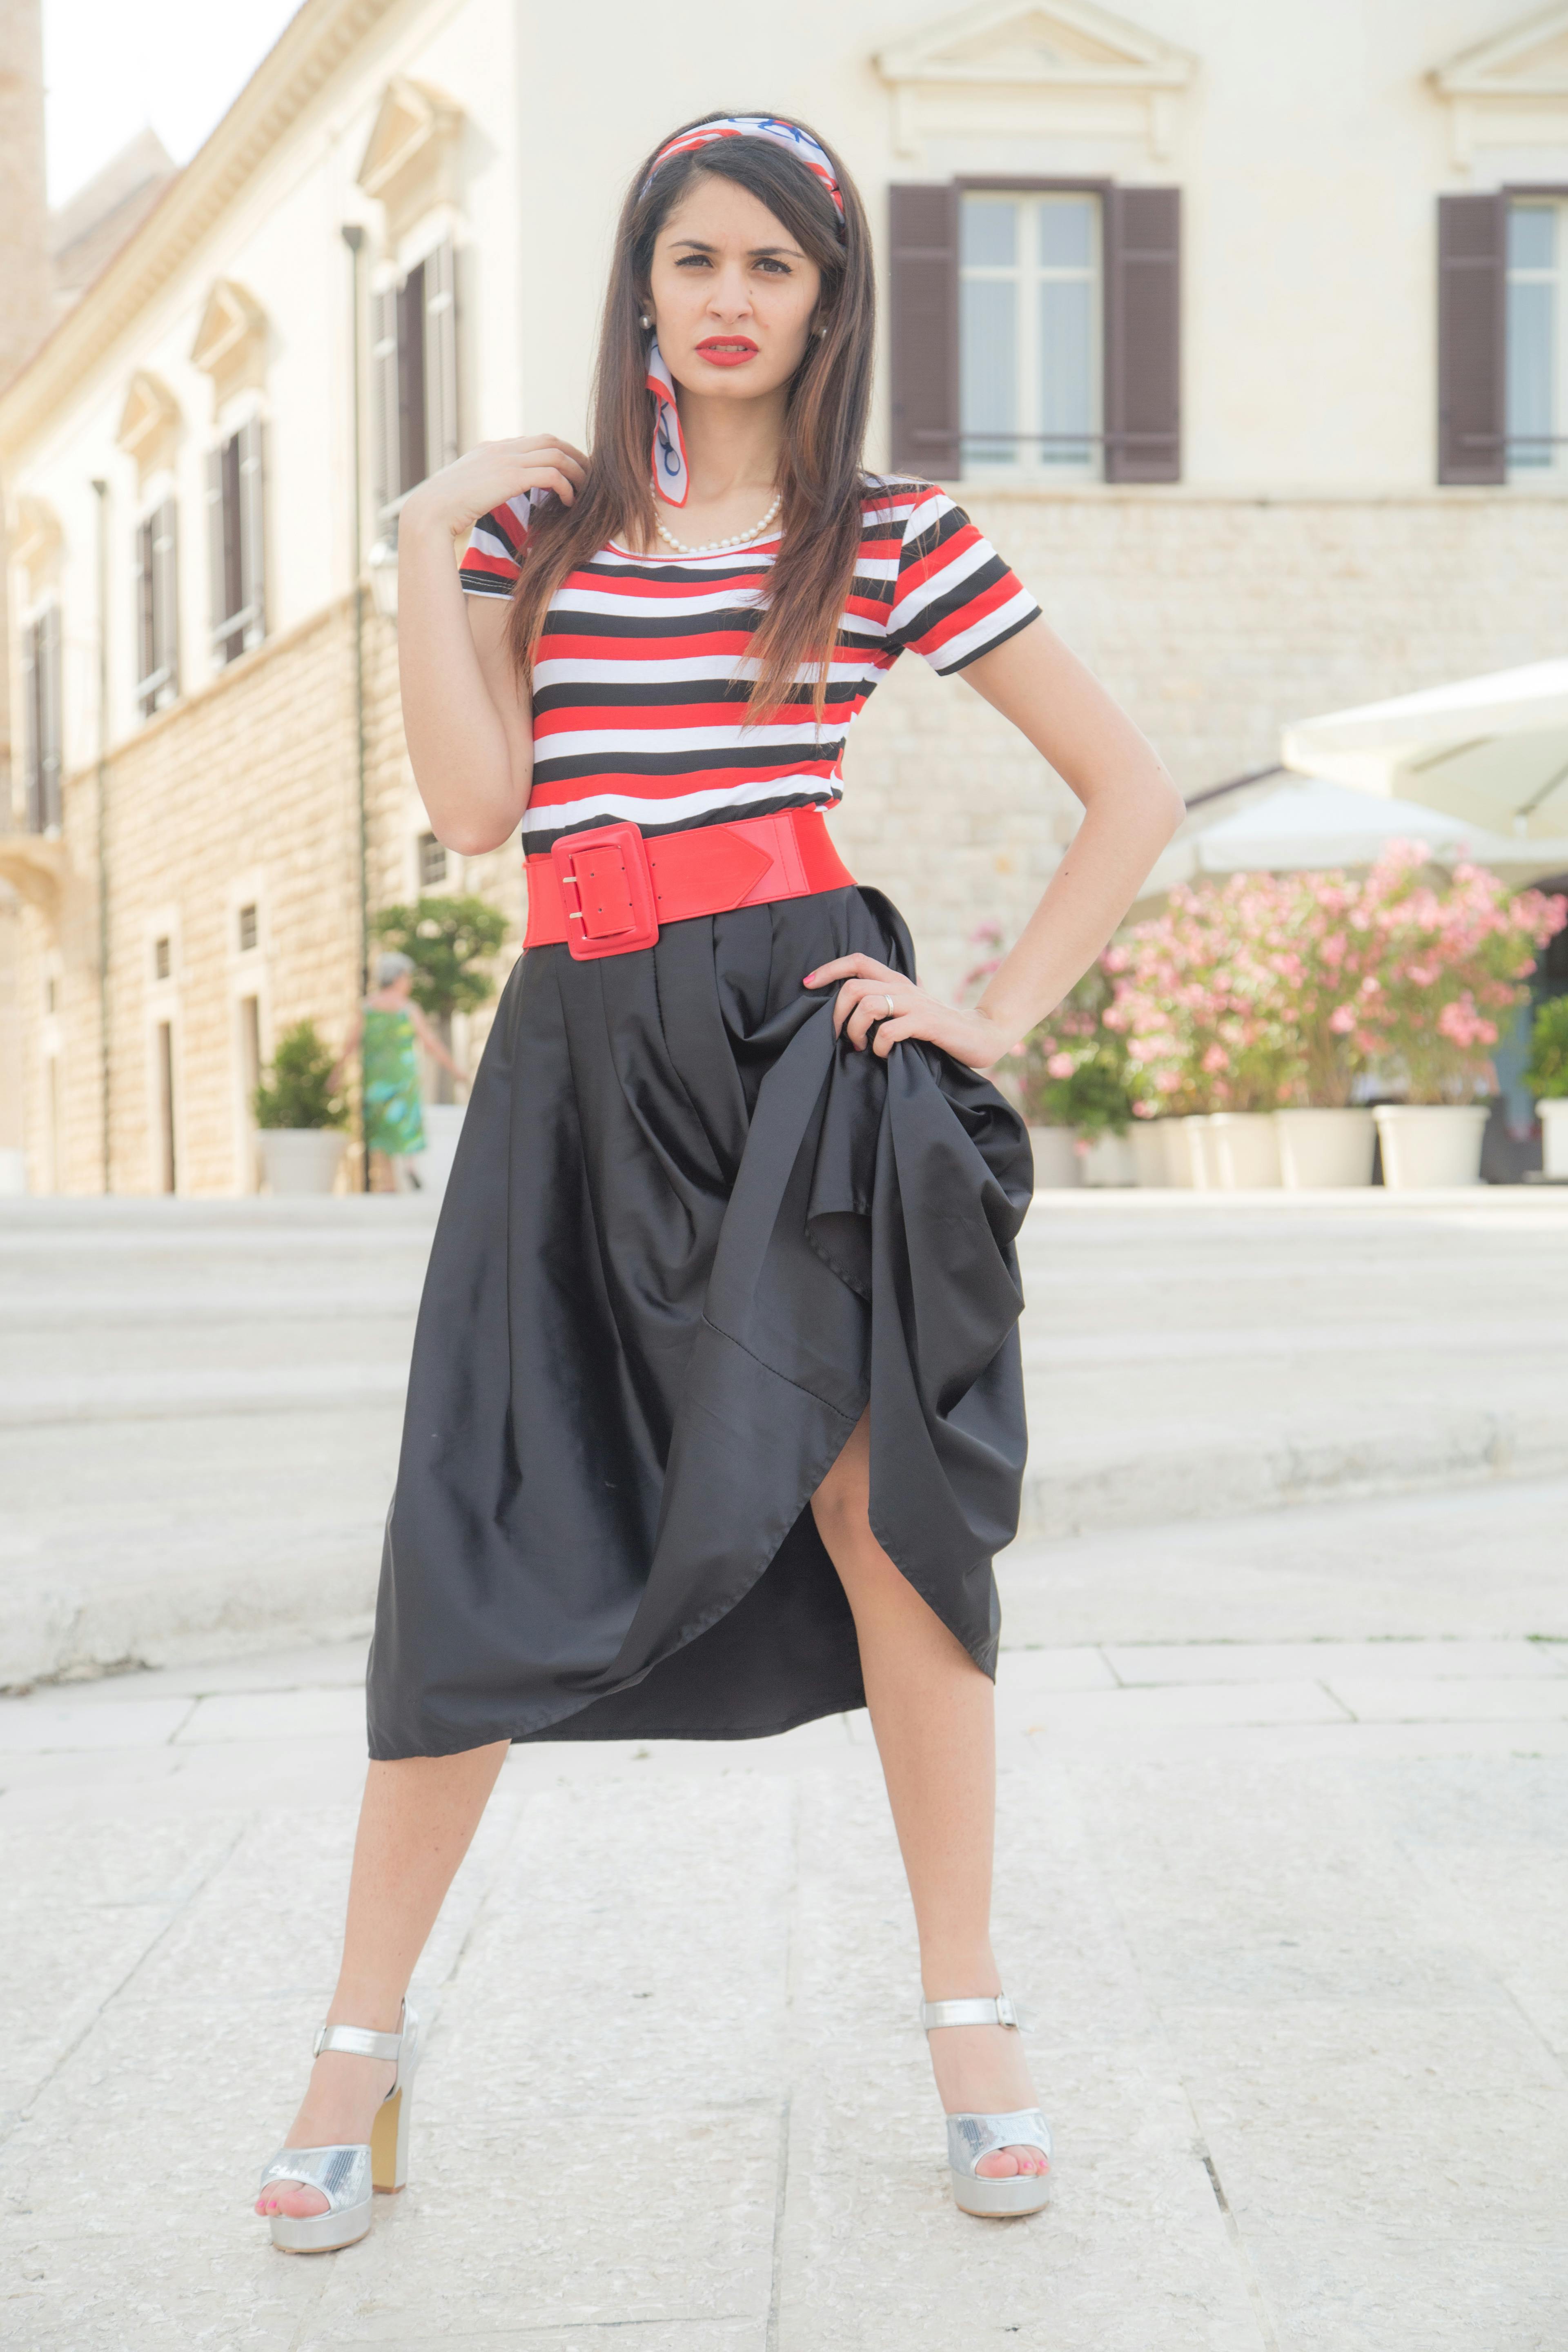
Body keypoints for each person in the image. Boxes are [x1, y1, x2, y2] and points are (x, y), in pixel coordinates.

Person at [256, 112, 1182, 2252]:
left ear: (828, 303)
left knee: (888, 1518)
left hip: (798, 1046)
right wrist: (418, 536)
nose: (731, 297)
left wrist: (993, 1012)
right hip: (573, 1055)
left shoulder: (890, 534)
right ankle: (355, 2049)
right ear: (642, 288)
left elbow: (1129, 788)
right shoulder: (532, 539)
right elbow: (481, 813)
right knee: (476, 1522)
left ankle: (972, 2022)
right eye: (693, 260)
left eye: (773, 265)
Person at [330, 951, 463, 1192]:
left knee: (382, 1128)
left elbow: (351, 1042)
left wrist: (337, 1071)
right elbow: (430, 1043)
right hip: (404, 1079)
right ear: (399, 978)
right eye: (408, 977)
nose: (409, 983)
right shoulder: (408, 1009)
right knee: (407, 1123)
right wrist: (456, 1071)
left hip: (377, 1081)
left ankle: (389, 1182)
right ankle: (410, 1167)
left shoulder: (367, 1008)